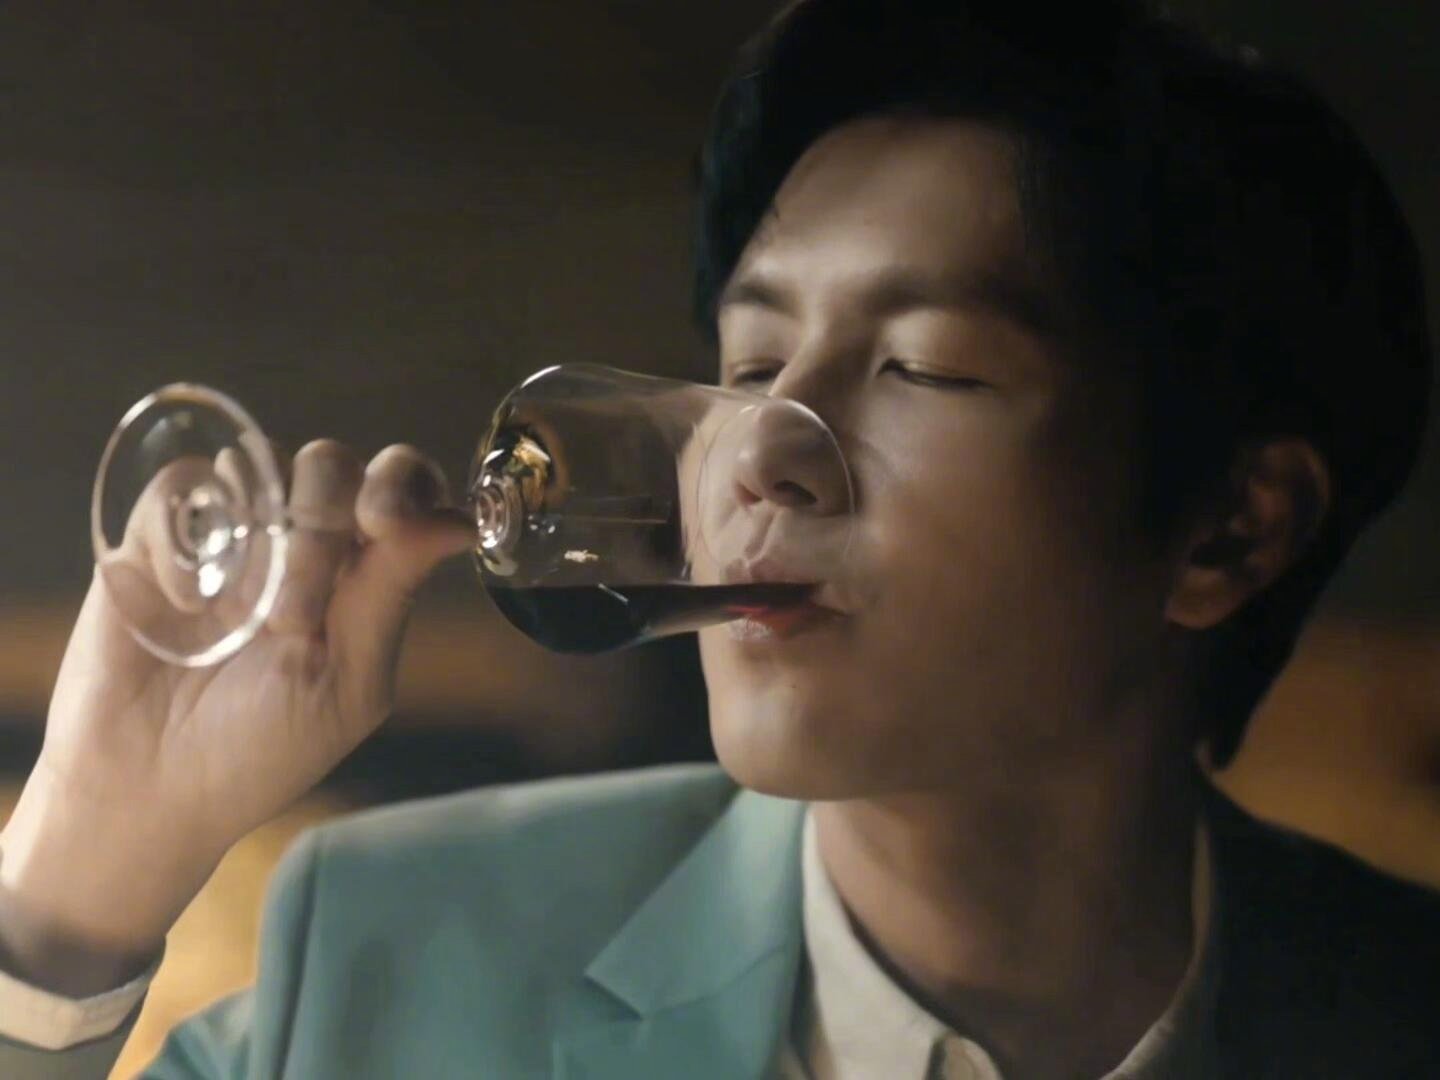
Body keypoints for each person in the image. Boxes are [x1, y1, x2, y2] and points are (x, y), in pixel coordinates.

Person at [2, 0, 1437, 1076]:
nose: (761, 453)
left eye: (924, 367)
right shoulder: (399, 951)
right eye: (752, 367)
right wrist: (82, 872)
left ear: (1228, 534)